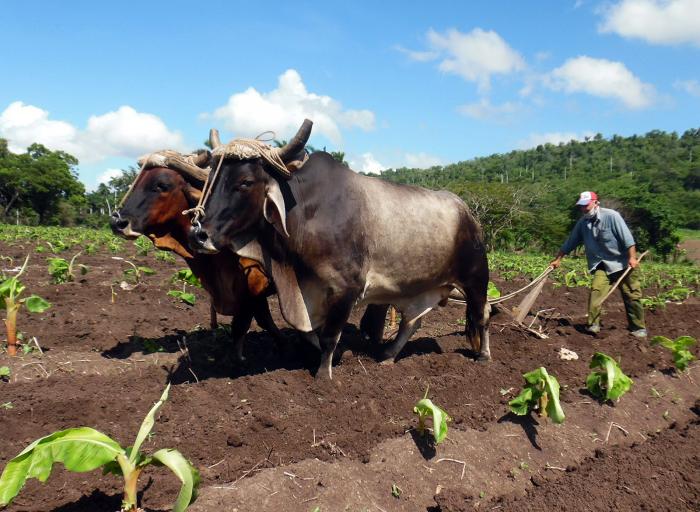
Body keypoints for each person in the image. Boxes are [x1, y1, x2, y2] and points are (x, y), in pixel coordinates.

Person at [550, 191, 646, 337]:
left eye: (586, 205)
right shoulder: (582, 223)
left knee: (632, 295)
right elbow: (571, 242)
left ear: (595, 202)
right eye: (581, 206)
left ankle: (638, 327)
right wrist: (558, 259)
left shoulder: (612, 216)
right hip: (602, 264)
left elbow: (628, 239)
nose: (584, 209)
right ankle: (593, 324)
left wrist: (632, 258)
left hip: (623, 262)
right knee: (596, 291)